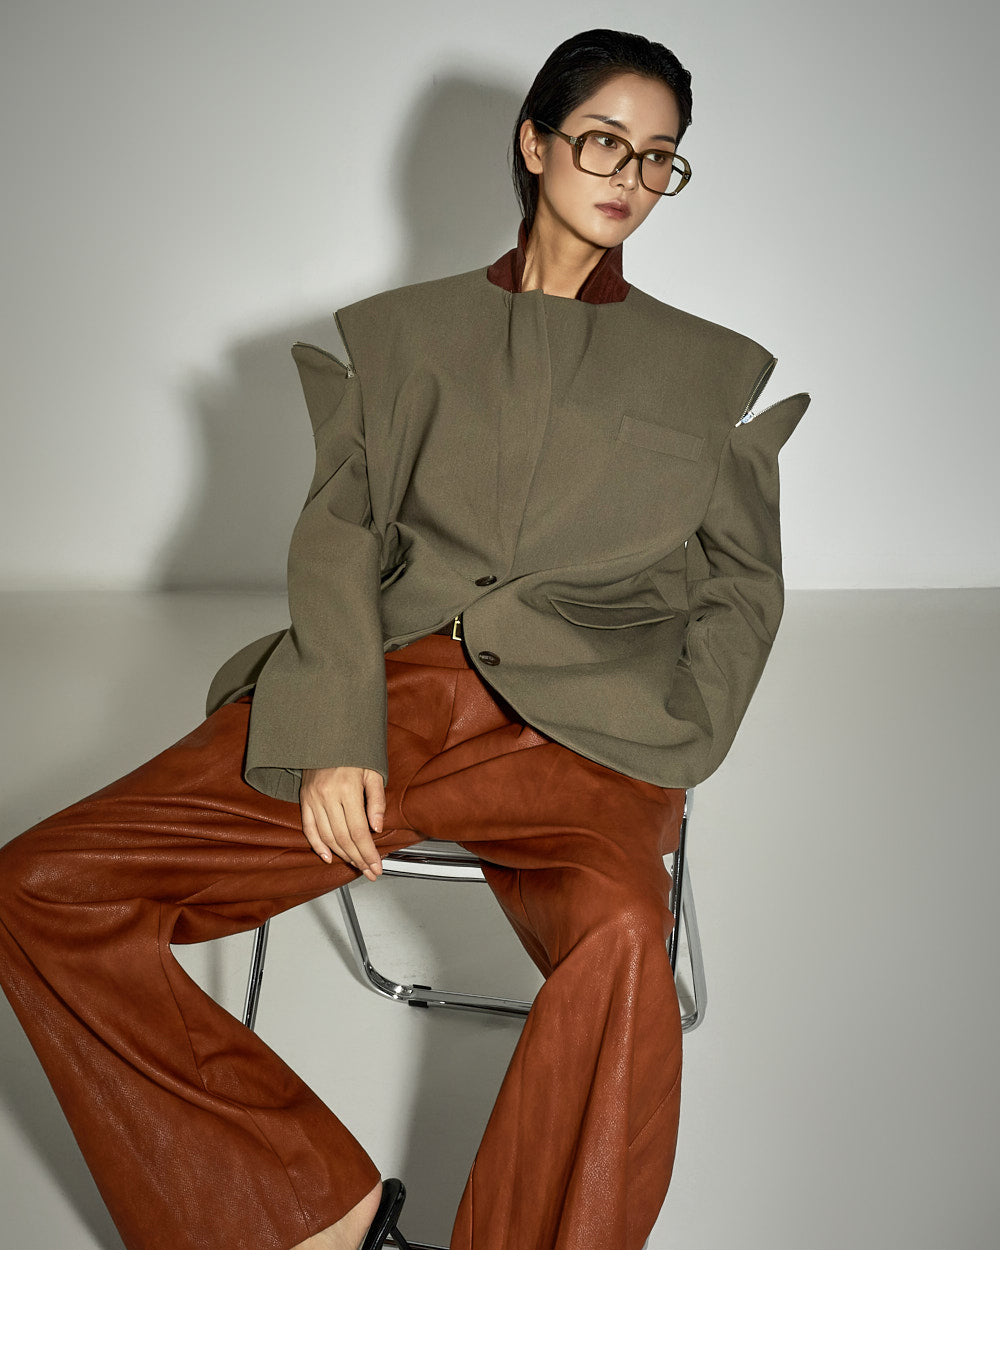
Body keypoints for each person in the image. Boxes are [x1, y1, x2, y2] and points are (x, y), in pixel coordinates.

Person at [0, 28, 810, 1249]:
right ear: (534, 145)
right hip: (394, 694)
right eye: (604, 141)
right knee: (39, 888)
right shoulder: (401, 339)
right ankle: (317, 1219)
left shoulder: (705, 374)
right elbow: (337, 543)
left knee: (619, 941)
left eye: (659, 158)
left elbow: (744, 583)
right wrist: (340, 728)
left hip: (588, 737)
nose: (631, 178)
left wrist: (678, 730)